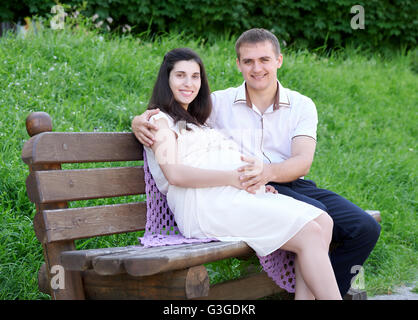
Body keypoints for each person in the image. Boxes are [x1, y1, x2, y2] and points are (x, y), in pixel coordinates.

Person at [133, 28, 381, 298]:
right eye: (180, 76)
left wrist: (263, 178)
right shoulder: (210, 106)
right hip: (215, 199)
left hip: (266, 183)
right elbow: (174, 162)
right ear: (238, 64)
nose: (189, 84)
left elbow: (302, 161)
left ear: (279, 60)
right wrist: (138, 122)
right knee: (312, 226)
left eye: (195, 77)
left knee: (330, 221)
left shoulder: (299, 105)